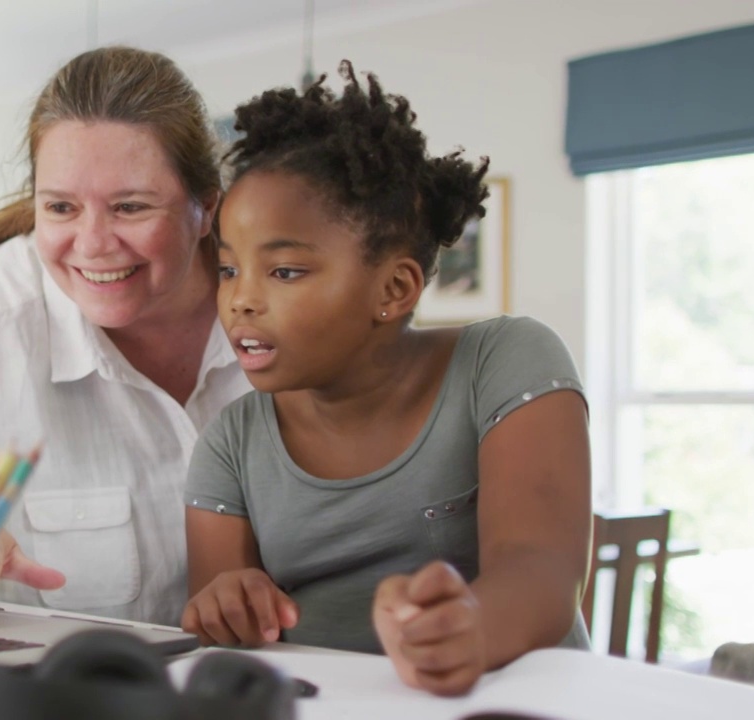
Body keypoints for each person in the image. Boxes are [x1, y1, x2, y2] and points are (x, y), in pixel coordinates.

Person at [181, 62, 591, 696]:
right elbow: (230, 641)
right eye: (230, 270)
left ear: (394, 288)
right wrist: (227, 603)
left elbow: (541, 571)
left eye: (285, 272)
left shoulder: (505, 363)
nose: (240, 301)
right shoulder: (230, 446)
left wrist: (469, 624)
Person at [0, 46, 252, 626]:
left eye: (130, 207)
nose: (92, 244)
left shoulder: (282, 309)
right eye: (61, 207)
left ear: (204, 208)